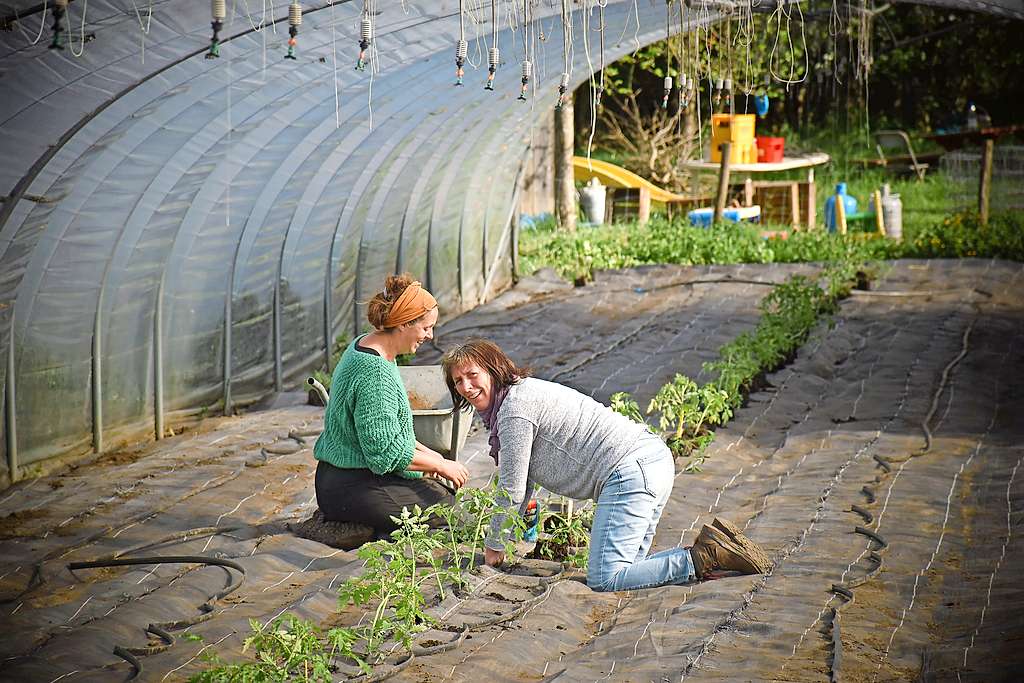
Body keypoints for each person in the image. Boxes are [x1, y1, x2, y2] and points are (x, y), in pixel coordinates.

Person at [441, 339, 771, 592]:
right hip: (650, 461)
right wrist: (507, 533)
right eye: (457, 381)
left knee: (605, 579)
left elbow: (513, 487)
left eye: (472, 375)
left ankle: (704, 557)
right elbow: (522, 477)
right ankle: (715, 556)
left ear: (494, 370)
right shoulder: (518, 398)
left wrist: (494, 545)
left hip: (628, 472)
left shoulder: (514, 409)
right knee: (632, 570)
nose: (466, 387)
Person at [313, 274, 470, 537]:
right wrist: (440, 466)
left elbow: (395, 434)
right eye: (426, 327)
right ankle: (345, 528)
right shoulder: (373, 373)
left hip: (346, 475)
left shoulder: (372, 346)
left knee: (441, 493)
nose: (430, 336)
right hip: (349, 484)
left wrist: (436, 459)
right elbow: (385, 454)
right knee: (446, 511)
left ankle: (362, 523)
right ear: (404, 323)